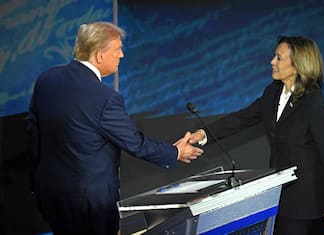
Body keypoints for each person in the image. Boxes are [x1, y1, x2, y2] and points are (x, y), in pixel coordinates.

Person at [26, 22, 203, 235]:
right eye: (117, 49)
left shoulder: (47, 79)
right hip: (91, 206)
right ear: (100, 55)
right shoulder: (104, 98)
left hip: (52, 196)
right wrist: (176, 152)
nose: (122, 55)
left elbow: (34, 136)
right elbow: (135, 143)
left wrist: (37, 185)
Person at [188, 36, 324, 235]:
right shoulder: (272, 92)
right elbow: (242, 118)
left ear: (297, 65)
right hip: (277, 196)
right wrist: (202, 134)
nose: (272, 62)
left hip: (304, 200)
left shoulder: (315, 105)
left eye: (278, 58)